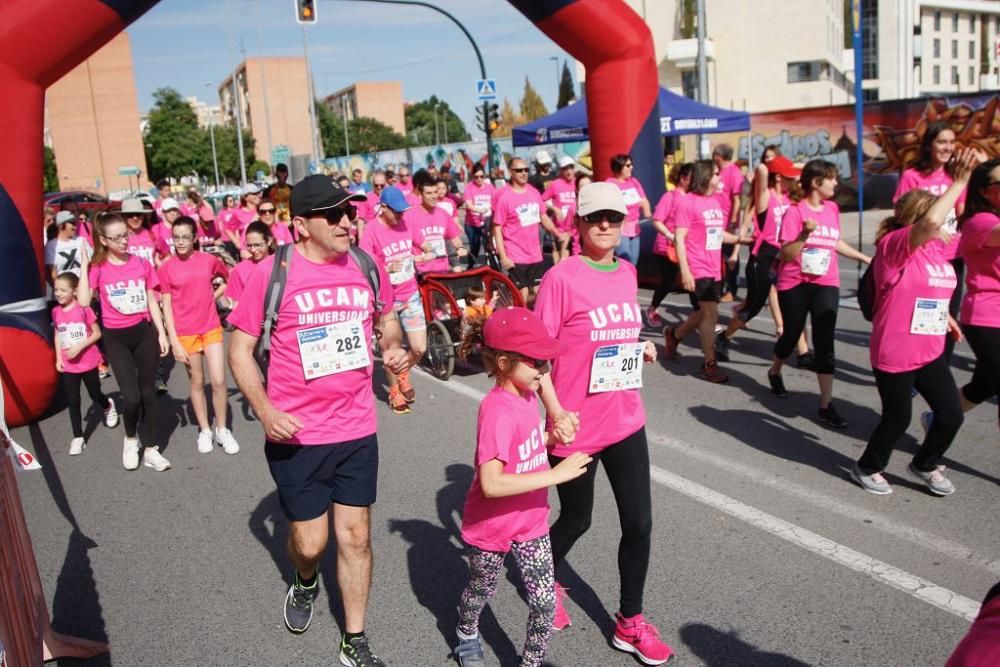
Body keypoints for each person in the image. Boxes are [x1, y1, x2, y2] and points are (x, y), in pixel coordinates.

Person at [227, 175, 409, 667]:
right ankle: (306, 579)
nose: (348, 222)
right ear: (301, 225)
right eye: (335, 216)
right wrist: (265, 410)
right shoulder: (272, 273)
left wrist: (393, 349)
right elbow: (239, 349)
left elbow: (386, 321)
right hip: (296, 434)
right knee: (311, 542)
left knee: (355, 536)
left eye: (350, 213)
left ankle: (355, 637)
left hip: (355, 428)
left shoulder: (368, 267)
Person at [534, 182, 673, 666]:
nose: (606, 225)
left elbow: (615, 339)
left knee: (639, 523)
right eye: (596, 218)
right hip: (575, 426)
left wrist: (640, 349)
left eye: (614, 216)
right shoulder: (561, 278)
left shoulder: (627, 272)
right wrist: (556, 413)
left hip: (624, 419)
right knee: (577, 519)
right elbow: (537, 358)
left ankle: (629, 623)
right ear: (578, 223)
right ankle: (541, 576)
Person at [451, 307, 590, 667]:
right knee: (481, 588)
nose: (544, 371)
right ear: (503, 362)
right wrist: (557, 476)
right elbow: (492, 483)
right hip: (492, 526)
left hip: (531, 522)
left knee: (544, 602)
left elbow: (524, 448)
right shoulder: (496, 410)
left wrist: (548, 436)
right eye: (537, 363)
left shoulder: (527, 396)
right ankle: (466, 632)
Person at [850, 155, 973, 496]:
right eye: (942, 217)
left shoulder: (939, 253)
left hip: (929, 348)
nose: (948, 222)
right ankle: (866, 466)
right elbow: (928, 225)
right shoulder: (894, 247)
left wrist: (945, 316)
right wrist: (959, 182)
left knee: (950, 415)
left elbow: (931, 288)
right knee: (898, 418)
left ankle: (924, 464)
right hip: (896, 347)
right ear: (918, 221)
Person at [766, 160, 871, 427]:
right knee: (791, 335)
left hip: (826, 281)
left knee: (825, 342)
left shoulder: (833, 209)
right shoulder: (794, 212)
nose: (836, 183)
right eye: (832, 178)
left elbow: (834, 241)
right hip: (795, 282)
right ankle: (775, 370)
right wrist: (803, 233)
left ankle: (826, 405)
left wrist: (866, 258)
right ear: (816, 182)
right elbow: (787, 255)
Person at [78, 213, 171, 472]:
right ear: (104, 240)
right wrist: (85, 265)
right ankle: (131, 439)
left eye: (125, 235)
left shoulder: (141, 263)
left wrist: (162, 332)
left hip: (143, 333)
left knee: (149, 393)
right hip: (116, 338)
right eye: (117, 237)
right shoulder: (98, 268)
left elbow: (152, 299)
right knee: (130, 398)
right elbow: (84, 301)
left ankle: (151, 448)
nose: (123, 241)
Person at [663, 160, 751, 383]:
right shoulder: (687, 203)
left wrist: (743, 239)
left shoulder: (714, 203)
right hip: (698, 266)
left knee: (705, 313)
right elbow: (680, 239)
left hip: (715, 267)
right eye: (715, 174)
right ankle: (709, 363)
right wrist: (685, 271)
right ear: (705, 177)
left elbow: (719, 235)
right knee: (711, 315)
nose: (719, 178)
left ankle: (675, 335)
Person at [716, 156, 810, 361]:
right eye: (788, 176)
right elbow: (761, 170)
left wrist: (795, 167)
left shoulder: (790, 198)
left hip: (783, 257)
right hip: (763, 259)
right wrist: (771, 166)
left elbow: (808, 173)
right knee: (752, 308)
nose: (793, 180)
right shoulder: (765, 197)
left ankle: (804, 354)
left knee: (796, 304)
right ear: (777, 178)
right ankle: (724, 336)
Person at [158, 216, 238, 455]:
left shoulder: (208, 260)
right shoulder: (167, 267)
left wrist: (210, 299)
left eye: (185, 237)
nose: (180, 242)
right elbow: (166, 305)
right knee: (196, 381)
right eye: (176, 237)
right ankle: (204, 429)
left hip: (210, 326)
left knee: (219, 380)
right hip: (185, 332)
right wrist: (173, 340)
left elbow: (225, 279)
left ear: (195, 238)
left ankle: (222, 429)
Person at [894, 123, 968, 362]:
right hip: (921, 256)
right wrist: (929, 230)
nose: (948, 147)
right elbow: (902, 215)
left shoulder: (955, 177)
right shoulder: (912, 175)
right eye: (942, 142)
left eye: (951, 142)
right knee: (922, 313)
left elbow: (961, 212)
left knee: (948, 315)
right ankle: (915, 364)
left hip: (951, 255)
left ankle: (940, 367)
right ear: (929, 145)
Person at [359, 186, 427, 414]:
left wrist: (424, 253)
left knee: (418, 348)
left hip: (410, 294)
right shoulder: (370, 232)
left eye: (403, 211)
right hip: (385, 301)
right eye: (396, 211)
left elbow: (422, 243)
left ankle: (403, 373)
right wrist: (385, 268)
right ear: (383, 207)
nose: (400, 215)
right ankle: (394, 390)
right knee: (392, 348)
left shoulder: (406, 223)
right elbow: (364, 268)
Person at [955, 158, 1000, 435]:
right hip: (987, 316)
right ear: (984, 191)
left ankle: (941, 418)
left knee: (984, 386)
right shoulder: (978, 222)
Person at [52, 272, 118, 455]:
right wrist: (58, 357)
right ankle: (78, 437)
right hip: (68, 364)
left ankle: (108, 406)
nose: (58, 293)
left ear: (74, 291)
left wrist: (79, 347)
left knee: (95, 393)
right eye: (56, 290)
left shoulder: (83, 310)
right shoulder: (56, 312)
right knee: (73, 400)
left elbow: (97, 333)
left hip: (87, 361)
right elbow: (57, 334)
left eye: (62, 290)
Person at [492, 157, 566, 306]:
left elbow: (543, 217)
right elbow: (497, 228)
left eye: (526, 169)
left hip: (535, 253)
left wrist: (557, 233)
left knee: (540, 291)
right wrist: (503, 256)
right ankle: (521, 324)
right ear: (511, 172)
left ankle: (538, 322)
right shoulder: (505, 197)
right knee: (523, 292)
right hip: (516, 254)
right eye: (519, 170)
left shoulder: (534, 193)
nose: (524, 173)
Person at [647, 162, 693, 327]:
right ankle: (652, 308)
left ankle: (702, 316)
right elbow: (657, 220)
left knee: (692, 279)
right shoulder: (670, 196)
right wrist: (669, 235)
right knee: (668, 281)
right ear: (683, 178)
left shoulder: (691, 198)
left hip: (685, 247)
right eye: (692, 178)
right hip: (665, 248)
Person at [406, 177, 467, 275]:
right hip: (421, 271)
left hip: (442, 268)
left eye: (435, 192)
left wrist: (460, 248)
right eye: (429, 193)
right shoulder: (410, 215)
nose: (434, 196)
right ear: (420, 195)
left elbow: (455, 238)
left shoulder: (443, 214)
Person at [605, 153, 652, 265]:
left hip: (634, 228)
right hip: (620, 228)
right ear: (619, 167)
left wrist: (649, 215)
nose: (632, 167)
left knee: (634, 262)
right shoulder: (610, 184)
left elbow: (644, 201)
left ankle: (631, 281)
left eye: (631, 165)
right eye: (628, 165)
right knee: (625, 260)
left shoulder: (634, 182)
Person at [713, 144, 746, 302]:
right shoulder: (717, 171)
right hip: (714, 221)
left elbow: (737, 199)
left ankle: (731, 289)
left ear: (719, 156)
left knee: (730, 257)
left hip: (727, 221)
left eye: (714, 154)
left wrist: (733, 220)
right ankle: (717, 286)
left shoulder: (734, 172)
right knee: (715, 255)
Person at [225, 221, 274, 310]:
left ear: (269, 241)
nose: (253, 250)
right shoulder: (239, 270)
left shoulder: (280, 265)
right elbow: (236, 305)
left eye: (257, 245)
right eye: (249, 246)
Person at [542, 155, 578, 264]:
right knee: (561, 255)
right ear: (560, 170)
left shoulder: (579, 183)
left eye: (571, 167)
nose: (569, 171)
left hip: (576, 227)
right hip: (560, 228)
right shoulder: (555, 184)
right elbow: (541, 202)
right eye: (565, 168)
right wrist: (554, 209)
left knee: (576, 256)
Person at [45, 211, 93, 288]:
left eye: (75, 223)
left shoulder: (81, 241)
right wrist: (61, 290)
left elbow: (91, 265)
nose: (75, 227)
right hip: (64, 291)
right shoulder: (50, 246)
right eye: (72, 224)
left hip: (83, 288)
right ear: (61, 225)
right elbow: (53, 273)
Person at [461, 164, 496, 269]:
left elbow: (495, 202)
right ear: (473, 177)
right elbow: (469, 204)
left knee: (490, 246)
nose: (479, 179)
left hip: (487, 222)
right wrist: (478, 209)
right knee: (475, 248)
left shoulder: (490, 188)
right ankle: (471, 267)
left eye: (482, 176)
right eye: (476, 177)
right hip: (472, 224)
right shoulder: (469, 188)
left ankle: (493, 267)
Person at [121, 198, 157, 265]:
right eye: (130, 215)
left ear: (143, 215)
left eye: (138, 214)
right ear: (123, 216)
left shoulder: (152, 234)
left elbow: (166, 255)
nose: (135, 218)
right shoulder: (118, 238)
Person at [152, 197, 181, 264]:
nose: (172, 213)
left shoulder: (183, 227)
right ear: (163, 212)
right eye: (169, 211)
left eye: (174, 210)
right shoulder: (156, 228)